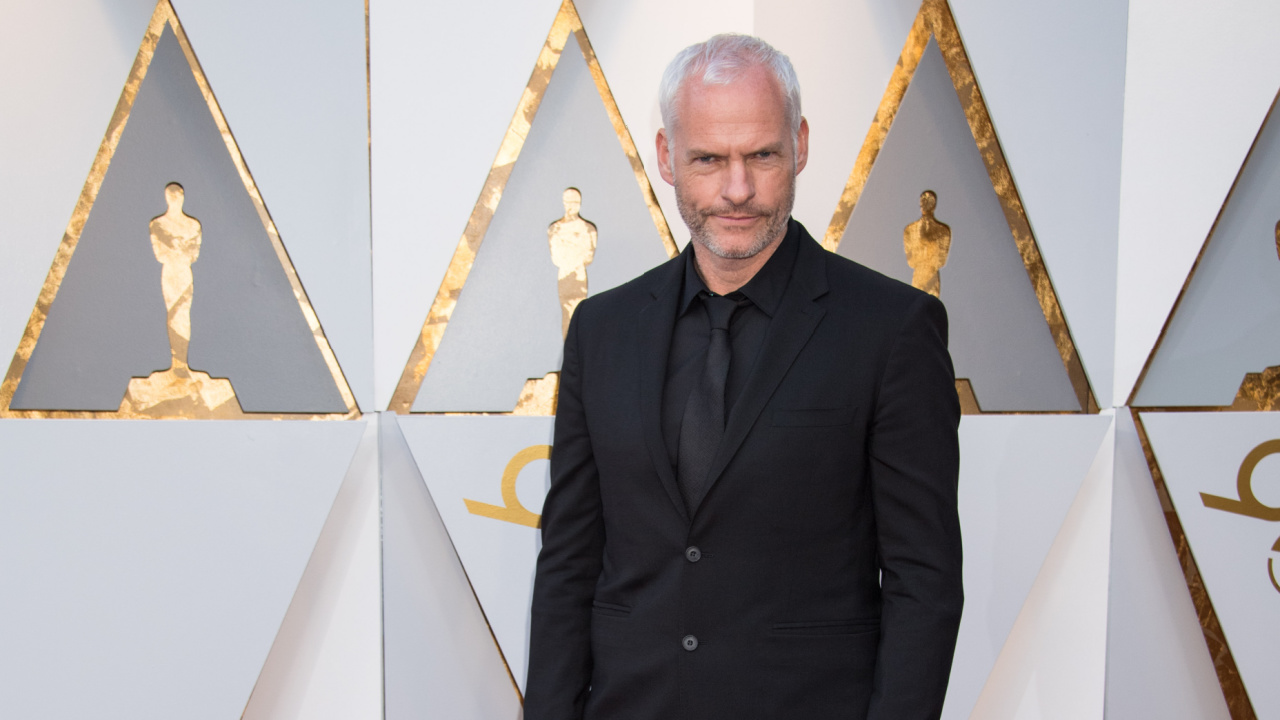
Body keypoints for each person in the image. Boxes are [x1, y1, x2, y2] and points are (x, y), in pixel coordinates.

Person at [527, 33, 962, 719]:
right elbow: (569, 563)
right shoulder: (602, 331)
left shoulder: (892, 329)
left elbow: (924, 580)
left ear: (802, 144)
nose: (737, 189)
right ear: (668, 157)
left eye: (761, 155)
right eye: (708, 159)